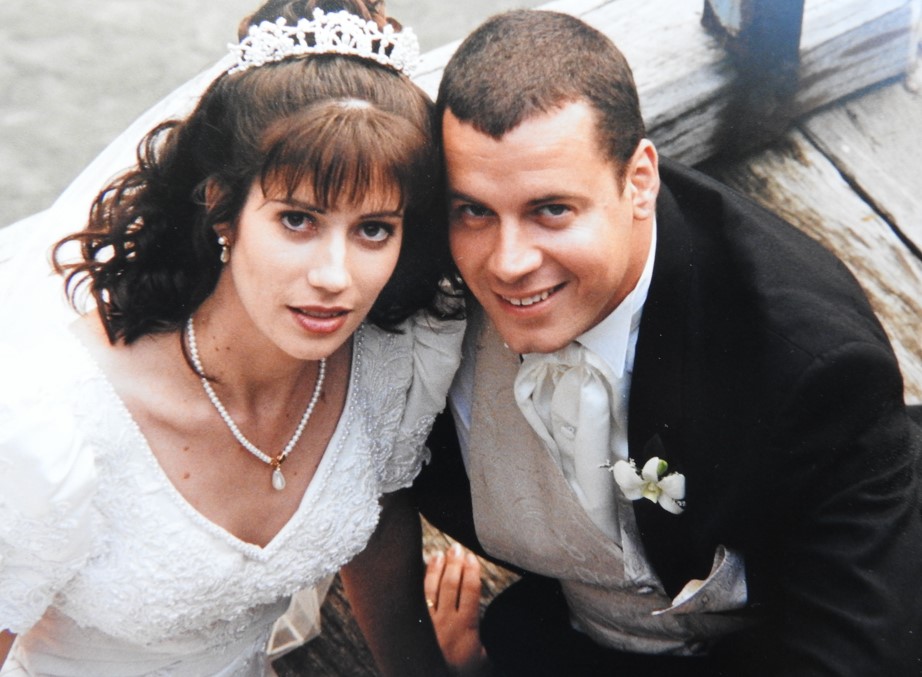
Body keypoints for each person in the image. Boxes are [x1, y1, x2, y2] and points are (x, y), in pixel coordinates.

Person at [414, 9, 922, 676]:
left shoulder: (811, 365)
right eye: (474, 210)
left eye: (551, 210)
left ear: (639, 182)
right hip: (582, 622)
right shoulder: (421, 300)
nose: (506, 263)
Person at [0, 1, 463, 674]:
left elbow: (380, 546)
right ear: (223, 208)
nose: (335, 277)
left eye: (373, 228)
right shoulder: (59, 423)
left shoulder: (384, 368)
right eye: (298, 219)